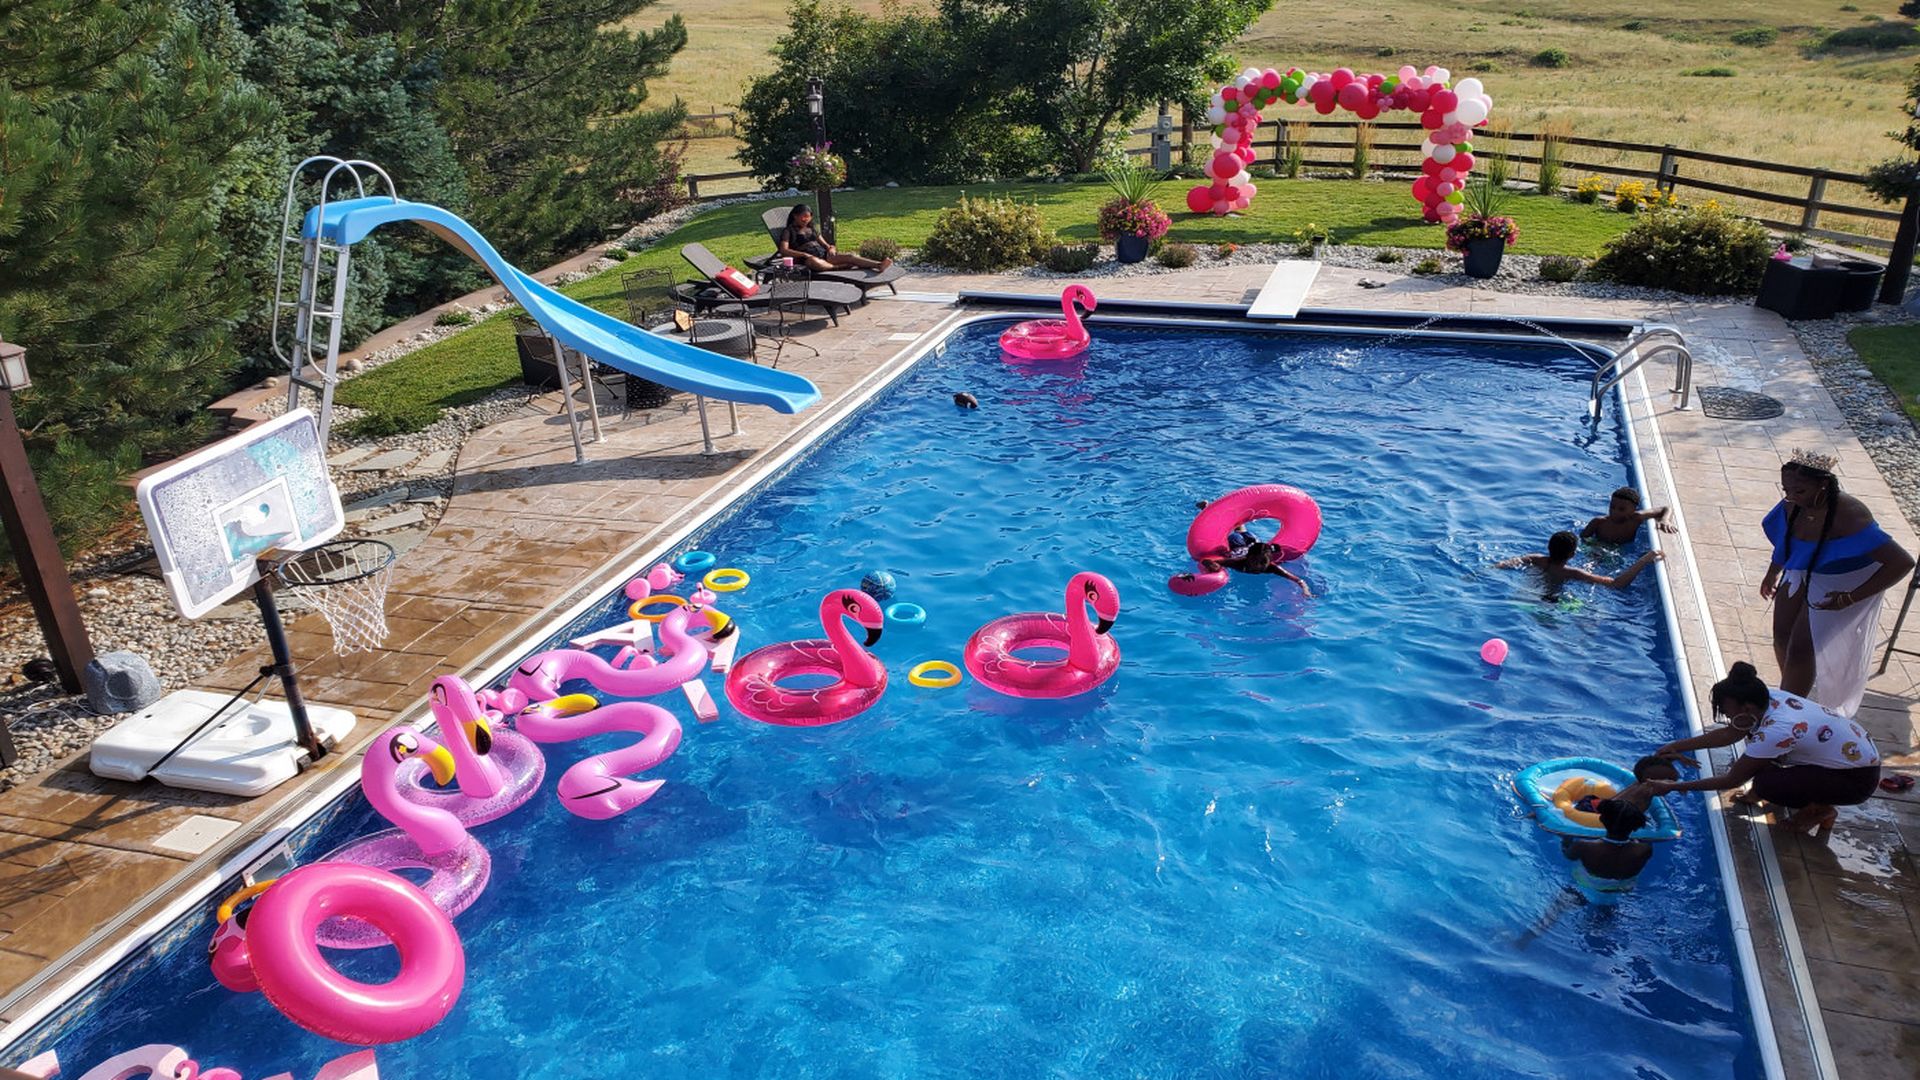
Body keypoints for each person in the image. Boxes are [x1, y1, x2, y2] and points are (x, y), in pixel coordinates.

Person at [1643, 661, 1883, 836]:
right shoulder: (1767, 698)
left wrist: (1676, 787)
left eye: (1726, 711)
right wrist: (1677, 746)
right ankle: (1789, 792)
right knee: (1756, 752)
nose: (1725, 715)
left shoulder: (1777, 728)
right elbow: (1730, 733)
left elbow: (1731, 779)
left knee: (1766, 784)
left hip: (1855, 780)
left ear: (1746, 707)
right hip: (1848, 760)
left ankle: (1820, 810)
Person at [1761, 449, 1914, 716]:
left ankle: (1789, 713)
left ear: (1822, 485)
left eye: (1799, 491)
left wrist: (1849, 597)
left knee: (1801, 648)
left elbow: (1902, 562)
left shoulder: (1849, 514)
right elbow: (1787, 541)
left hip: (1843, 580)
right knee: (1781, 634)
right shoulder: (1792, 506)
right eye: (1786, 489)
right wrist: (1773, 572)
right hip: (1804, 570)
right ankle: (1795, 693)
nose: (1790, 497)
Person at [1496, 530, 1664, 595]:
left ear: (1549, 547)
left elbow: (1502, 565)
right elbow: (1616, 584)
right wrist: (1643, 560)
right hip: (1550, 604)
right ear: (1573, 554)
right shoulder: (1573, 573)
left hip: (1524, 595)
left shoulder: (1534, 559)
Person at [777, 204, 892, 273]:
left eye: (808, 217)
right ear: (795, 216)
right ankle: (838, 268)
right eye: (803, 217)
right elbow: (784, 250)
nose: (805, 220)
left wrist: (830, 248)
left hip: (825, 256)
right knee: (813, 261)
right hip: (808, 260)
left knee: (850, 257)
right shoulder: (789, 231)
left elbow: (825, 244)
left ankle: (878, 265)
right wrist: (803, 255)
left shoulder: (812, 229)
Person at [1199, 540, 1313, 597]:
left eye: (1263, 563)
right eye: (1254, 562)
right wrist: (1215, 566)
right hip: (1237, 547)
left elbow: (1299, 580)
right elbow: (1206, 560)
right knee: (1237, 536)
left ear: (1269, 561)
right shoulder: (1238, 563)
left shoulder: (1271, 567)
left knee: (1247, 536)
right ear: (1248, 558)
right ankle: (1206, 508)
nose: (1258, 566)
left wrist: (1306, 591)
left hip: (1252, 547)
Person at [1582, 486, 1677, 544]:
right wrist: (1594, 546)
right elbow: (1583, 538)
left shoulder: (1635, 518)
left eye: (1621, 509)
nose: (1615, 512)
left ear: (1634, 510)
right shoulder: (1598, 522)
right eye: (1612, 507)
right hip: (1599, 547)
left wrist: (1665, 519)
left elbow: (1667, 508)